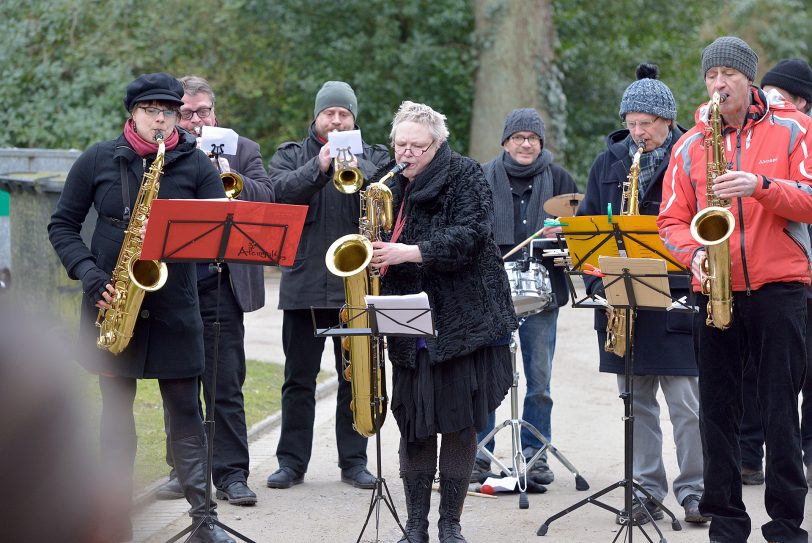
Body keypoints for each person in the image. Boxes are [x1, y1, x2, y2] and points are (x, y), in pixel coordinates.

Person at [48, 73, 234, 542]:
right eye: (151, 110)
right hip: (110, 302)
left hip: (174, 306)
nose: (160, 119)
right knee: (115, 414)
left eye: (168, 111)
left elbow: (219, 235)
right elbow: (63, 225)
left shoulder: (195, 164)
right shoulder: (98, 159)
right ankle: (113, 520)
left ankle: (203, 520)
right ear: (132, 113)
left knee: (185, 410)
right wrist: (91, 277)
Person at [657, 37, 812, 543]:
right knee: (716, 413)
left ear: (749, 77)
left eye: (728, 74)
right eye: (710, 76)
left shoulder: (794, 130)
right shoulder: (690, 144)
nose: (718, 84)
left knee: (779, 411)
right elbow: (671, 221)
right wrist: (693, 254)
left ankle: (786, 524)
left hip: (779, 290)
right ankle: (726, 523)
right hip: (714, 289)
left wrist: (761, 188)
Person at [369, 100, 517, 543]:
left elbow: (472, 234)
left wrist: (410, 252)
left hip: (461, 319)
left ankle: (450, 524)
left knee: (457, 423)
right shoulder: (388, 182)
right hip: (406, 318)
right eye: (400, 144)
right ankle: (415, 526)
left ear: (437, 144)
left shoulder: (466, 174)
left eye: (416, 146)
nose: (406, 153)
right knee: (413, 423)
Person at [577, 63, 707, 525]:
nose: (637, 134)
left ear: (667, 122)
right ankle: (646, 491)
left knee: (687, 407)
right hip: (622, 299)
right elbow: (588, 226)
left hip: (676, 298)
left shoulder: (693, 155)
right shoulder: (608, 161)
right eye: (630, 124)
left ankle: (695, 491)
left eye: (645, 125)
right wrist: (597, 284)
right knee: (637, 405)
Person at [154, 75, 275, 506]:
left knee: (225, 384)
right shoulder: (162, 152)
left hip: (223, 284)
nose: (194, 120)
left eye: (202, 111)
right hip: (175, 285)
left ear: (214, 112)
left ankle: (231, 475)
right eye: (184, 113)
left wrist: (229, 172)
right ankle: (182, 472)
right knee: (178, 383)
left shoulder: (243, 149)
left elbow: (267, 197)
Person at [266, 81, 389, 490]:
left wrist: (359, 166)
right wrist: (319, 166)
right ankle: (291, 463)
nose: (336, 120)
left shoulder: (374, 156)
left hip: (355, 286)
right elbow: (277, 193)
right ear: (316, 117)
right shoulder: (291, 154)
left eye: (344, 114)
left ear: (354, 119)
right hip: (303, 283)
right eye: (329, 113)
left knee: (356, 377)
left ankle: (353, 461)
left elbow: (391, 194)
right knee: (298, 378)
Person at [473, 108, 577, 486]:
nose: (526, 143)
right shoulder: (482, 176)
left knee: (540, 379)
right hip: (492, 292)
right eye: (518, 137)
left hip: (542, 294)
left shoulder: (560, 179)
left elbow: (580, 236)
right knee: (486, 375)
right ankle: (480, 455)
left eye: (532, 138)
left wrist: (561, 239)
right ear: (505, 141)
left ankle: (535, 457)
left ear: (541, 143)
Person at [738, 58, 812, 488]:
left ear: (802, 102)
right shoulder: (761, 133)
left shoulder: (801, 135)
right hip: (772, 275)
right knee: (753, 370)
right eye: (767, 91)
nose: (770, 99)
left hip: (800, 272)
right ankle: (749, 454)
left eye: (782, 94)